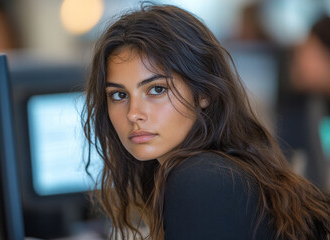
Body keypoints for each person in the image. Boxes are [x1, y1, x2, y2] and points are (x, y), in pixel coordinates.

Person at [82, 4, 330, 240]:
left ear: (204, 93)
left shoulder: (201, 178)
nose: (133, 113)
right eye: (119, 95)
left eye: (156, 90)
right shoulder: (221, 168)